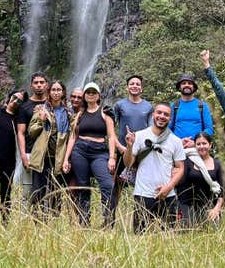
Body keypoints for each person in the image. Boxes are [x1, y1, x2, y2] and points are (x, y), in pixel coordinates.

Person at [123, 103, 186, 233]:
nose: (162, 116)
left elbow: (180, 168)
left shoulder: (175, 141)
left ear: (170, 118)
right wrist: (129, 146)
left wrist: (168, 187)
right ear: (153, 115)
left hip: (167, 194)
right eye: (159, 113)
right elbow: (128, 163)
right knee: (140, 238)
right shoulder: (139, 136)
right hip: (142, 193)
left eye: (166, 114)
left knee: (171, 238)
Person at [63, 82, 117, 227]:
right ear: (85, 96)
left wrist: (112, 157)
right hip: (80, 150)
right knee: (83, 186)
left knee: (107, 185)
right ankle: (84, 222)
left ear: (98, 95)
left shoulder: (105, 113)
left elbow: (111, 136)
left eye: (94, 92)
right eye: (88, 92)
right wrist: (66, 159)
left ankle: (108, 222)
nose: (91, 94)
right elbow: (73, 137)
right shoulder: (80, 114)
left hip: (99, 151)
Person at [109, 75, 153, 225]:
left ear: (141, 88)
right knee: (116, 186)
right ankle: (109, 220)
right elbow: (112, 128)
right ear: (127, 87)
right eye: (132, 84)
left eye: (137, 84)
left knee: (142, 186)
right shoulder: (120, 105)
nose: (135, 86)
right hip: (122, 149)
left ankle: (140, 221)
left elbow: (151, 129)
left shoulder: (148, 107)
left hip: (142, 152)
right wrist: (117, 149)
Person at [28, 80, 71, 218]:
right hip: (42, 156)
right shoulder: (42, 109)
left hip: (58, 157)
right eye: (53, 90)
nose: (56, 92)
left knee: (56, 192)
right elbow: (31, 132)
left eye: (59, 90)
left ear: (63, 92)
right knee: (38, 191)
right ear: (49, 92)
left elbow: (72, 134)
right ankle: (37, 221)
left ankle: (54, 221)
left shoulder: (68, 113)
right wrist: (41, 120)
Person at [0, 89, 26, 226]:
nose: (16, 101)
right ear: (10, 96)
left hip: (10, 160)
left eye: (20, 100)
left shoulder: (18, 119)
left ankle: (5, 223)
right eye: (14, 97)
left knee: (6, 193)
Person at [176, 132, 224, 228]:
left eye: (204, 143)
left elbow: (223, 190)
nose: (201, 146)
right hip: (188, 206)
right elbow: (180, 187)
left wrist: (216, 209)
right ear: (195, 145)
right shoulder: (188, 161)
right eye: (198, 144)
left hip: (209, 206)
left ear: (210, 145)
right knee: (188, 230)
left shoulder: (217, 164)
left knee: (212, 230)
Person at [16, 72, 49, 207]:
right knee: (27, 189)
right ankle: (25, 221)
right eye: (36, 83)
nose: (39, 85)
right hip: (30, 151)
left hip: (49, 152)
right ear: (31, 85)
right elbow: (21, 132)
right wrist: (23, 155)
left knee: (47, 189)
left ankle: (44, 219)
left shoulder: (52, 104)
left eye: (42, 82)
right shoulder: (25, 106)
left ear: (46, 85)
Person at [170, 73, 214, 147]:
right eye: (184, 83)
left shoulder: (202, 106)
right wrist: (178, 141)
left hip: (197, 148)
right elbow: (167, 129)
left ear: (193, 87)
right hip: (177, 147)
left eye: (190, 83)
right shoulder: (174, 106)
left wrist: (196, 142)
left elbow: (209, 129)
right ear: (180, 87)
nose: (187, 85)